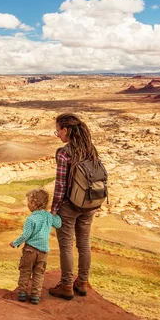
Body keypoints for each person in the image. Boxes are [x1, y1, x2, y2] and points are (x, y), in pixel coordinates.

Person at [49, 113, 100, 301]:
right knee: (84, 244)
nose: (58, 135)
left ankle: (67, 285)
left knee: (66, 246)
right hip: (89, 204)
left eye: (58, 131)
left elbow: (61, 184)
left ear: (66, 130)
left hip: (70, 206)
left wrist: (54, 208)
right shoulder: (91, 149)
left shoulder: (64, 152)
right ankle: (82, 282)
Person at [10, 189, 62, 305]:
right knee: (39, 274)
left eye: (28, 202)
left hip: (30, 250)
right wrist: (54, 213)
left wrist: (15, 243)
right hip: (43, 252)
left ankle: (22, 294)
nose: (27, 205)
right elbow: (58, 224)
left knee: (25, 272)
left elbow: (26, 235)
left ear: (34, 203)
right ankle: (35, 296)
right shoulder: (48, 216)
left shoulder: (31, 219)